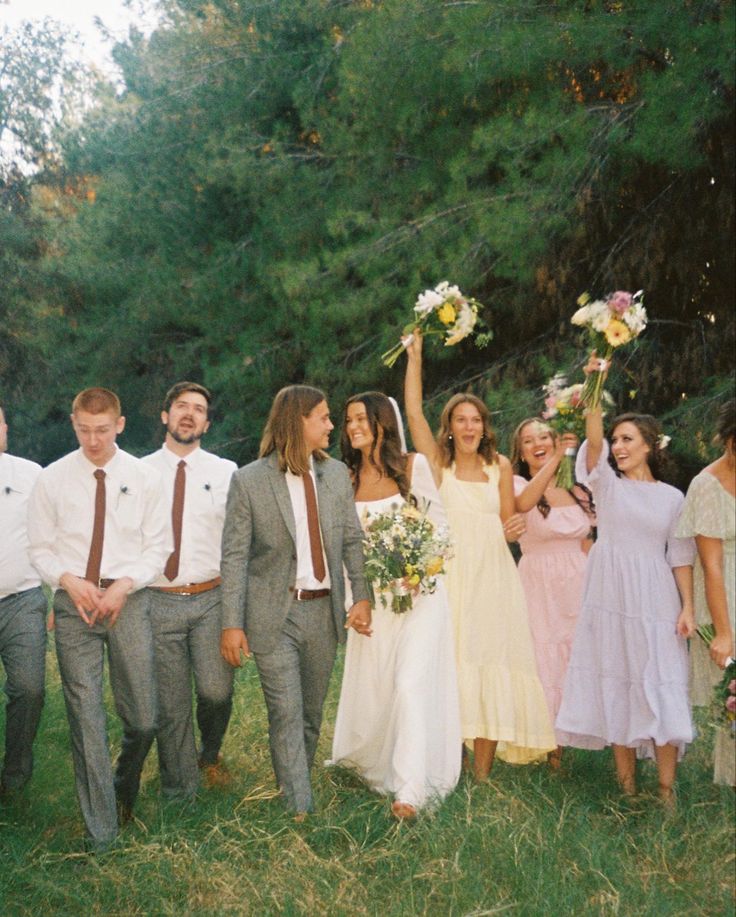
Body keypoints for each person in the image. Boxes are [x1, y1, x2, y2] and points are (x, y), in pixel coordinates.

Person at [403, 332, 556, 779]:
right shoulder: (437, 462)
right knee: (451, 663)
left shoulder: (501, 467)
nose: (469, 427)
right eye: (461, 420)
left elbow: (510, 517)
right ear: (449, 426)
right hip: (451, 575)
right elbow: (413, 410)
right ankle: (448, 764)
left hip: (493, 577)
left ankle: (483, 776)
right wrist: (415, 357)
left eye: (476, 420)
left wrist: (513, 525)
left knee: (492, 661)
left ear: (485, 428)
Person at [27, 387, 170, 850]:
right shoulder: (51, 479)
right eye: (84, 430)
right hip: (75, 606)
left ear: (120, 425)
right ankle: (102, 834)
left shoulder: (145, 478)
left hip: (129, 602)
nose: (93, 440)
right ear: (73, 424)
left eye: (102, 430)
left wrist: (126, 584)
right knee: (86, 716)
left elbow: (159, 548)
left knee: (144, 718)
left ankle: (120, 793)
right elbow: (40, 549)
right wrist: (68, 581)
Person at [219, 385, 371, 816]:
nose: (330, 425)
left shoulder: (337, 474)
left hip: (323, 612)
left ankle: (294, 783)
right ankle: (300, 808)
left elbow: (351, 541)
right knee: (285, 712)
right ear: (297, 421)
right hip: (273, 615)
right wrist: (232, 623)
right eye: (322, 417)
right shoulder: (249, 481)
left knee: (308, 714)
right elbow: (233, 556)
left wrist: (362, 596)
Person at [556, 355, 696, 803]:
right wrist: (595, 380)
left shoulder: (673, 497)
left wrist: (688, 607)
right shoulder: (608, 487)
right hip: (611, 596)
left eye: (628, 439)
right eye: (616, 439)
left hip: (656, 599)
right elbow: (592, 439)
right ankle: (627, 789)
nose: (618, 446)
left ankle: (666, 790)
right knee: (618, 679)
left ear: (651, 445)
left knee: (659, 682)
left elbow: (680, 556)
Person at [330, 392, 461, 818]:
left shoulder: (413, 467)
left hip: (420, 597)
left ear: (381, 421)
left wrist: (420, 573)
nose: (352, 427)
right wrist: (355, 601)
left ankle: (411, 790)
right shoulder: (344, 479)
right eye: (347, 420)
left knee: (410, 684)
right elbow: (343, 550)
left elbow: (441, 530)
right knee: (379, 689)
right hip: (373, 602)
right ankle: (372, 763)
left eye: (360, 418)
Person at [142, 382, 237, 798]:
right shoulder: (138, 472)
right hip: (158, 598)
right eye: (181, 406)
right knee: (171, 701)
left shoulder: (227, 472)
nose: (189, 414)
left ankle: (209, 755)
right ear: (165, 415)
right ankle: (179, 788)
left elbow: (238, 544)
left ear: (207, 423)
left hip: (211, 597)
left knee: (216, 691)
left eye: (198, 409)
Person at [511, 419, 594, 768]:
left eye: (544, 436)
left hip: (579, 577)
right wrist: (556, 459)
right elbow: (523, 504)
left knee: (575, 654)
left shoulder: (578, 490)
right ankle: (549, 746)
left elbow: (587, 539)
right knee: (544, 656)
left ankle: (578, 732)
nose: (538, 444)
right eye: (528, 441)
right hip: (539, 582)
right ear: (520, 451)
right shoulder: (518, 483)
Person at [676, 399, 735, 786]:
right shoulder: (706, 485)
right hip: (724, 589)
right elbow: (711, 565)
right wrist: (725, 632)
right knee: (732, 688)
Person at [0, 404, 48, 797]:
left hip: (22, 600)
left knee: (29, 688)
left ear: (5, 428)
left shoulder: (31, 475)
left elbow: (61, 530)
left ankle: (14, 776)